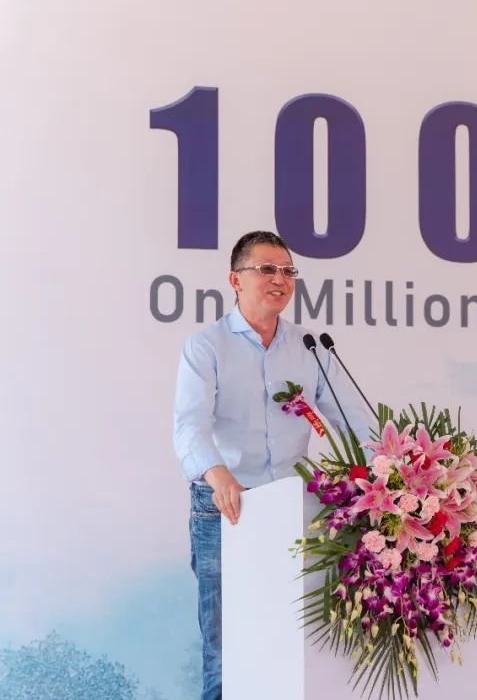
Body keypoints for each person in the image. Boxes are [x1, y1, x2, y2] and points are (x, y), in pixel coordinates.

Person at [172, 230, 371, 700]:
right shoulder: (206, 347)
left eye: (287, 271)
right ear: (235, 280)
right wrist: (218, 474)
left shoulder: (309, 347)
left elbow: (354, 420)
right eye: (266, 269)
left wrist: (392, 466)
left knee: (291, 643)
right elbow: (189, 425)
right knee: (226, 648)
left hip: (294, 510)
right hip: (225, 508)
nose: (280, 279)